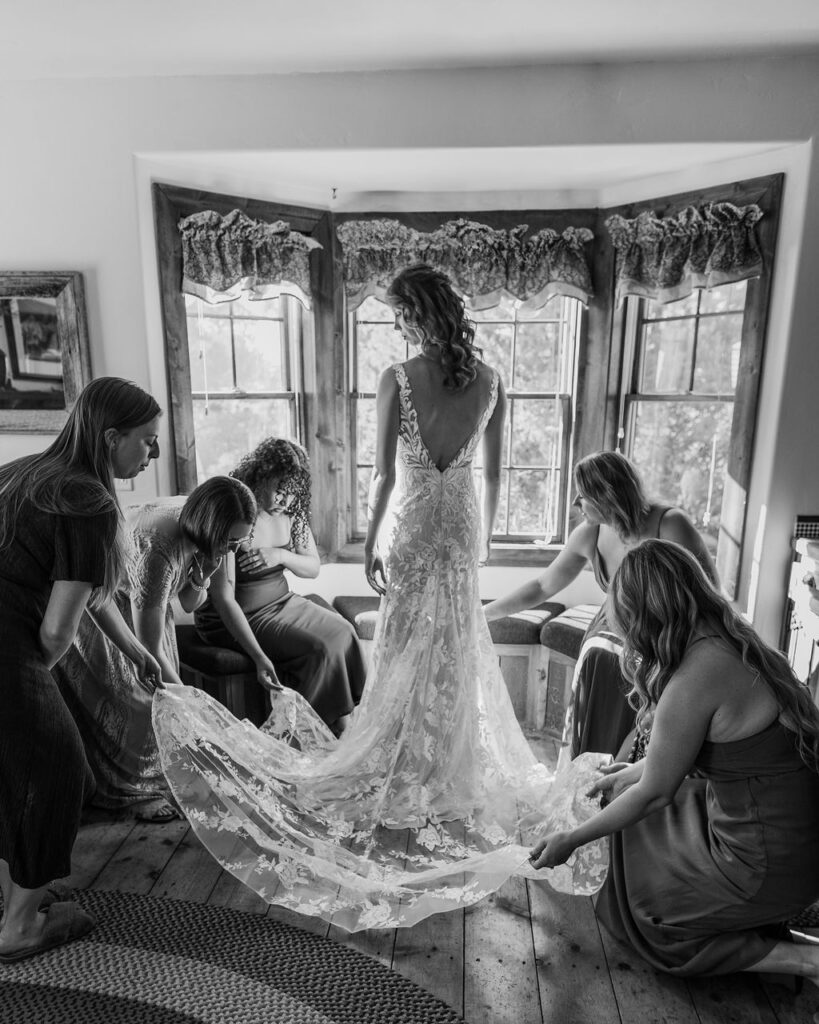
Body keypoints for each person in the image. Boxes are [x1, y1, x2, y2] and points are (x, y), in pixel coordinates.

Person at [151, 263, 608, 932]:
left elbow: (385, 474)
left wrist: (370, 542)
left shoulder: (396, 377)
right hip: (459, 525)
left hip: (418, 519)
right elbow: (491, 473)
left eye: (398, 316)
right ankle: (445, 763)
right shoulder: (491, 382)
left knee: (404, 646)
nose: (396, 326)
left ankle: (404, 759)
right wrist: (473, 539)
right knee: (453, 645)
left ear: (417, 316)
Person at [530, 539, 819, 988]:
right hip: (782, 829)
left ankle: (807, 962)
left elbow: (657, 793)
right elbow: (672, 766)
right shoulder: (726, 636)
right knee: (629, 813)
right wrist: (629, 773)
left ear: (646, 616)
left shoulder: (692, 681)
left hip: (763, 859)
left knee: (653, 918)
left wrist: (571, 838)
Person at [0, 377, 163, 962]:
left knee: (11, 771)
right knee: (61, 770)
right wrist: (32, 681)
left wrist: (136, 652)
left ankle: (18, 894)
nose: (152, 454)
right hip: (7, 642)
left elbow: (91, 596)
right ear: (111, 436)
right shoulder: (88, 501)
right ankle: (19, 928)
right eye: (146, 442)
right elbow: (56, 632)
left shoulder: (28, 472)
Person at [484, 450, 717, 759]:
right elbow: (542, 586)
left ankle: (633, 771)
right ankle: (589, 768)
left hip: (668, 631)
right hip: (613, 628)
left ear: (607, 495)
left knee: (639, 670)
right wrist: (484, 613)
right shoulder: (589, 534)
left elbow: (709, 590)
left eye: (582, 496)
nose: (575, 504)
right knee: (598, 655)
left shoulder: (670, 525)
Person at [53, 475, 257, 822]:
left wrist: (204, 571)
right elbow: (149, 650)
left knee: (160, 701)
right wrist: (194, 703)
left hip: (149, 607)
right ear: (211, 527)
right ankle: (128, 794)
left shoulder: (212, 536)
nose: (235, 548)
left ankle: (155, 781)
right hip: (107, 605)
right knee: (133, 699)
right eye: (231, 541)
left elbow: (192, 603)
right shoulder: (158, 543)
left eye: (241, 540)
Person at [194, 437, 366, 735]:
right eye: (279, 491)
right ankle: (298, 734)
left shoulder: (291, 514)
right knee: (321, 647)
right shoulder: (235, 513)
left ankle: (334, 725)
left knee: (344, 632)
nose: (285, 501)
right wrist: (260, 657)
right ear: (261, 476)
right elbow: (224, 598)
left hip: (282, 602)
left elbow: (312, 567)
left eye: (291, 493)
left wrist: (281, 555)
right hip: (237, 614)